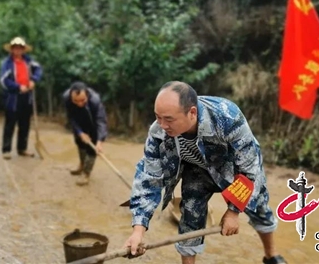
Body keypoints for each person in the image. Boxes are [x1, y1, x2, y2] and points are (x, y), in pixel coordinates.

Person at [123, 81, 287, 264]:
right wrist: (138, 231)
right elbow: (148, 178)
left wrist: (233, 211)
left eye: (169, 119)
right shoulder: (158, 132)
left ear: (192, 112)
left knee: (259, 206)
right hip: (196, 170)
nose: (162, 125)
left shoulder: (227, 117)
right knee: (190, 215)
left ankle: (271, 255)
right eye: (157, 117)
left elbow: (250, 168)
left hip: (232, 168)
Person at [0, 36, 43, 159]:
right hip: (12, 98)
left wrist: (33, 80)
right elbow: (3, 80)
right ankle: (6, 150)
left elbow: (39, 69)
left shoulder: (28, 61)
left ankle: (22, 148)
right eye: (15, 48)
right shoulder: (7, 63)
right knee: (10, 124)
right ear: (12, 50)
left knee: (25, 124)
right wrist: (18, 87)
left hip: (27, 97)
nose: (18, 50)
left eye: (20, 48)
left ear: (23, 50)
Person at [62, 82, 108, 186]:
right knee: (80, 143)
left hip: (93, 125)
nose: (79, 104)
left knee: (92, 150)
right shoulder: (66, 98)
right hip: (79, 122)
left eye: (82, 100)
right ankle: (82, 165)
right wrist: (80, 132)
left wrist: (100, 141)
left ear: (87, 95)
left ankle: (86, 173)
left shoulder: (95, 101)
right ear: (71, 96)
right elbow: (71, 118)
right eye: (76, 101)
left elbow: (101, 121)